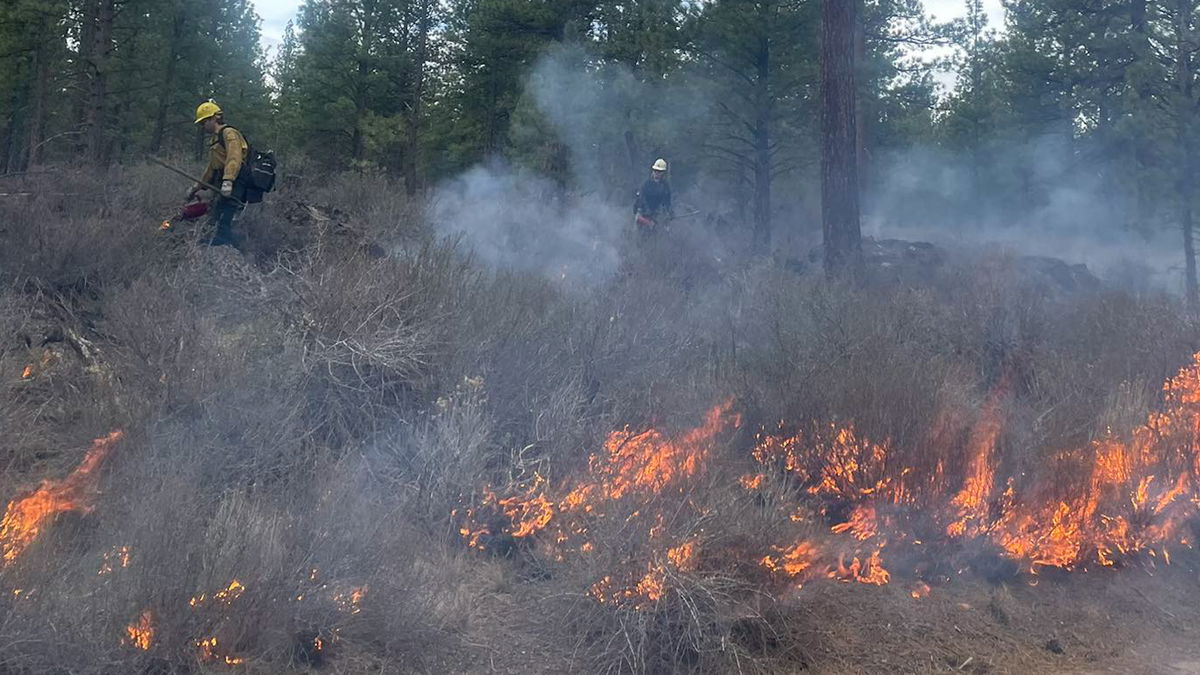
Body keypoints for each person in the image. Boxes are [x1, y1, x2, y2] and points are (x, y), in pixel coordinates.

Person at [186, 100, 249, 248]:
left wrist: (228, 181)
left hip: (237, 180)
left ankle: (239, 250)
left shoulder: (229, 133)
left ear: (215, 118)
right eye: (201, 123)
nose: (203, 126)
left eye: (205, 121)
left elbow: (234, 157)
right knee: (216, 213)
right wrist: (196, 187)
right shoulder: (215, 139)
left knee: (226, 216)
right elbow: (212, 168)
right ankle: (221, 244)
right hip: (224, 180)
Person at [634, 158, 673, 233]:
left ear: (663, 173)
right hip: (643, 215)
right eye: (655, 170)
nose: (656, 173)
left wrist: (670, 213)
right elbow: (640, 202)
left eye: (659, 171)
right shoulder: (646, 184)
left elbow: (667, 202)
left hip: (655, 215)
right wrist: (647, 216)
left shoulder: (665, 186)